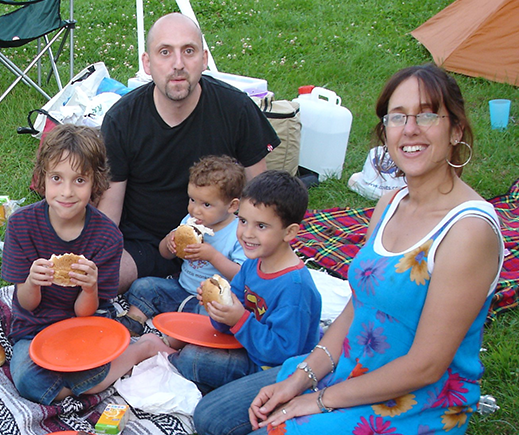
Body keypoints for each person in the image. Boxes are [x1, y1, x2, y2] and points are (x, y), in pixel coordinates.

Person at [193, 64, 505, 435]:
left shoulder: (468, 230)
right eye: (397, 116)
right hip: (350, 368)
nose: (410, 129)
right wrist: (304, 377)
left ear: (455, 129)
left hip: (413, 402)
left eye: (426, 114)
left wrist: (320, 400)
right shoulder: (389, 204)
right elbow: (358, 306)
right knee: (211, 418)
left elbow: (426, 365)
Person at [98, 12, 280, 293]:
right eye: (165, 52)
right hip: (145, 242)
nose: (178, 64)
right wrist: (97, 261)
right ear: (147, 63)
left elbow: (260, 197)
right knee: (97, 283)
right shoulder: (122, 119)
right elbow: (110, 210)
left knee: (268, 285)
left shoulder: (236, 109)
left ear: (204, 59)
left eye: (189, 51)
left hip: (221, 240)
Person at [1, 124, 173, 405]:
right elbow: (27, 304)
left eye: (79, 180)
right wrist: (32, 282)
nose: (66, 192)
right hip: (34, 329)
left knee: (93, 362)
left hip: (86, 324)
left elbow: (87, 313)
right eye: (57, 178)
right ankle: (104, 375)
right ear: (42, 178)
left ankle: (139, 350)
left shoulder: (107, 236)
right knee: (28, 380)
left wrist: (90, 288)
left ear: (96, 183)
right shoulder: (21, 225)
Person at [167, 170, 322, 394]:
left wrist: (239, 319)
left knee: (193, 358)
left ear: (289, 232)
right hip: (245, 345)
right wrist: (218, 309)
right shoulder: (253, 263)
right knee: (195, 332)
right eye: (243, 221)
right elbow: (232, 313)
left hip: (272, 370)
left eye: (261, 226)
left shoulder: (295, 287)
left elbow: (283, 353)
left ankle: (184, 369)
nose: (246, 233)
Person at [116, 154, 248, 336]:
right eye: (192, 200)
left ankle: (178, 334)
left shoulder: (239, 233)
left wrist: (212, 256)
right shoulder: (191, 221)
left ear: (232, 206)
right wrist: (170, 242)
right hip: (181, 288)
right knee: (143, 286)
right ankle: (133, 321)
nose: (195, 209)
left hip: (208, 303)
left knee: (215, 319)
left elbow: (242, 275)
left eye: (206, 204)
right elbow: (165, 254)